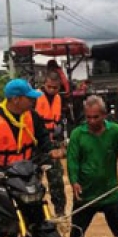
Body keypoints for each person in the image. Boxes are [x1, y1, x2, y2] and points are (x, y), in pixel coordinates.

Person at [66, 96, 118, 237]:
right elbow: (72, 160)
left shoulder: (116, 132)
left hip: (110, 194)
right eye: (88, 117)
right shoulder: (77, 134)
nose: (91, 121)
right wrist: (74, 181)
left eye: (96, 117)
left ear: (104, 115)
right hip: (85, 195)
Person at [0, 78, 63, 173]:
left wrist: (51, 149)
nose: (33, 101)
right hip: (0, 173)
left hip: (26, 171)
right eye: (29, 98)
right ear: (15, 99)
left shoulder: (32, 116)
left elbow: (43, 136)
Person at [34, 73, 68, 216]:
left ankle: (60, 212)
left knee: (57, 180)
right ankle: (35, 213)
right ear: (44, 85)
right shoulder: (35, 97)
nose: (52, 90)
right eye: (49, 87)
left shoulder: (59, 99)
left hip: (53, 144)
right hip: (36, 146)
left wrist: (61, 145)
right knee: (34, 180)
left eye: (55, 87)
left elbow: (59, 122)